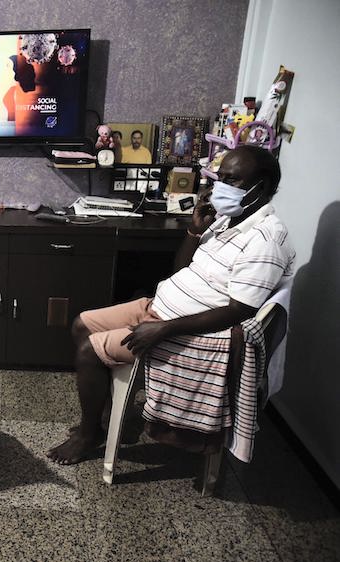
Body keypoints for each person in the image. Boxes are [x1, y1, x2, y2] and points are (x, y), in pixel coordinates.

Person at [47, 145, 295, 464]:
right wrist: (195, 229)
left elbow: (240, 311)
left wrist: (163, 329)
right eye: (218, 178)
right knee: (81, 324)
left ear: (259, 187)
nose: (217, 187)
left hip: (186, 330)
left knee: (88, 350)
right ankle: (103, 415)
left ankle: (88, 433)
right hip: (160, 306)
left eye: (230, 180)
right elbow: (181, 271)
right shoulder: (229, 220)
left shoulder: (265, 240)